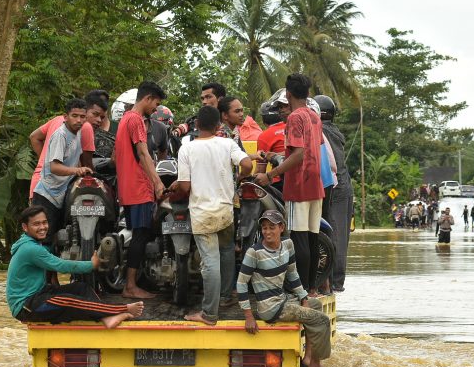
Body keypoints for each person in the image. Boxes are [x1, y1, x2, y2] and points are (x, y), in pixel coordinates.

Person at [170, 106, 252, 325]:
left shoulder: (187, 148)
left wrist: (177, 185)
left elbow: (185, 186)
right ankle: (225, 297)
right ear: (219, 126)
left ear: (196, 126)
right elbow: (247, 164)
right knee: (226, 253)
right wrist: (239, 180)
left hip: (202, 213)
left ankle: (209, 314)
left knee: (210, 262)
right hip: (225, 210)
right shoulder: (227, 143)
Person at [237, 209, 335, 367]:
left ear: (281, 227)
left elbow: (293, 274)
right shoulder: (255, 252)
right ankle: (315, 366)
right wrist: (248, 316)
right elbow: (241, 283)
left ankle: (309, 358)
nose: (267, 232)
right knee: (321, 320)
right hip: (270, 307)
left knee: (316, 305)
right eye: (264, 228)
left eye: (272, 227)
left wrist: (304, 298)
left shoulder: (288, 245)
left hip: (283, 299)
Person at [6, 206, 144, 328]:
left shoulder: (32, 243)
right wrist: (91, 264)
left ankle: (105, 317)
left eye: (44, 222)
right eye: (36, 224)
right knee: (67, 300)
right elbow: (61, 265)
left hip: (39, 294)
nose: (42, 227)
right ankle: (120, 310)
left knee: (81, 288)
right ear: (25, 227)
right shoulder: (30, 248)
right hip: (25, 306)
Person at [254, 73, 324, 295]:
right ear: (308, 93)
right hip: (316, 184)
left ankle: (301, 290)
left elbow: (298, 155)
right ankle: (312, 287)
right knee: (313, 237)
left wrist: (270, 174)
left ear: (288, 94)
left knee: (299, 238)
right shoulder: (314, 116)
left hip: (298, 184)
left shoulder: (295, 118)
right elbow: (315, 147)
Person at [113, 81, 167, 299]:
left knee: (140, 234)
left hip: (128, 188)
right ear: (148, 98)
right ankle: (131, 285)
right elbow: (143, 154)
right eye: (156, 103)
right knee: (141, 234)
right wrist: (157, 182)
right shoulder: (136, 120)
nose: (156, 108)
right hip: (139, 187)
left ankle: (137, 281)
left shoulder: (124, 119)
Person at [31, 99, 94, 247]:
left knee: (56, 239)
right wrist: (77, 170)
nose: (79, 120)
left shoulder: (77, 133)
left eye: (82, 117)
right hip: (47, 194)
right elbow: (54, 167)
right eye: (74, 115)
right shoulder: (61, 135)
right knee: (43, 240)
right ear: (65, 117)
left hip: (62, 193)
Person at [29, 95, 104, 199]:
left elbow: (34, 137)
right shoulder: (84, 127)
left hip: (42, 183)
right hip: (50, 188)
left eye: (102, 117)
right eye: (95, 114)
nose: (99, 120)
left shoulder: (59, 121)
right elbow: (86, 164)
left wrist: (45, 160)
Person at [316, 94, 353, 292]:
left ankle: (333, 281)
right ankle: (336, 281)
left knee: (333, 233)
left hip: (335, 187)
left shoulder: (320, 130)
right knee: (340, 235)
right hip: (345, 185)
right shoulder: (334, 131)